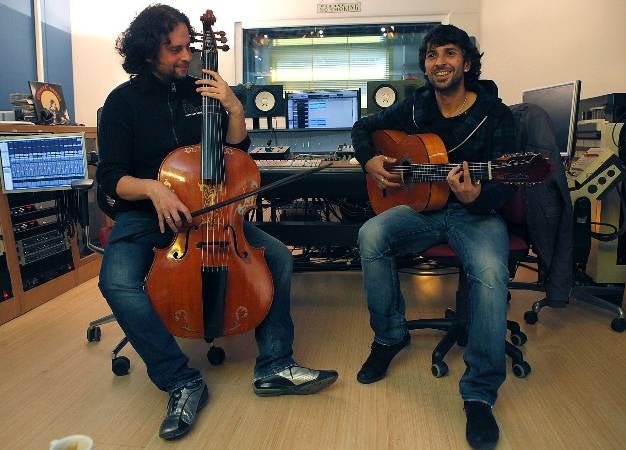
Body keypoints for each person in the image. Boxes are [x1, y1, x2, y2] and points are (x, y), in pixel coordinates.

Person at [96, 4, 337, 441]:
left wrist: (233, 106)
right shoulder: (121, 103)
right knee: (116, 282)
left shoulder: (202, 91)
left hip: (212, 214)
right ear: (148, 52)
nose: (186, 57)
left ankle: (276, 364)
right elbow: (111, 177)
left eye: (188, 47)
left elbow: (237, 152)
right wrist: (153, 189)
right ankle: (180, 380)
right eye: (174, 49)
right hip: (147, 215)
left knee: (279, 257)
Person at [351, 24, 516, 449]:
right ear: (425, 66)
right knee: (371, 235)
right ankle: (390, 337)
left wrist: (478, 196)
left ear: (467, 63)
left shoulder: (495, 115)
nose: (439, 62)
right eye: (431, 55)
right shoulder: (416, 106)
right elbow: (362, 127)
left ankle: (479, 392)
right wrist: (370, 161)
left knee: (491, 273)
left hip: (475, 213)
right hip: (424, 208)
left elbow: (507, 183)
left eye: (449, 53)